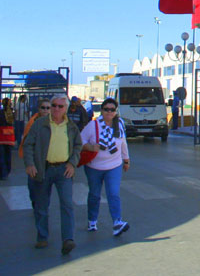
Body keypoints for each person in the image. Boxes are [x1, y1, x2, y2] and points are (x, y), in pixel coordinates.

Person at [23, 94, 82, 255]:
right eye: (53, 105)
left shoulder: (71, 126)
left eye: (60, 106)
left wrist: (72, 163)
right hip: (43, 169)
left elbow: (78, 145)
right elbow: (28, 145)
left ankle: (68, 239)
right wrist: (30, 164)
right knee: (41, 205)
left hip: (64, 169)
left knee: (67, 204)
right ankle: (42, 236)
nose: (56, 109)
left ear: (66, 109)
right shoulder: (40, 124)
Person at [79, 97, 130, 236]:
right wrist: (90, 146)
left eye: (112, 110)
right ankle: (92, 221)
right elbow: (80, 139)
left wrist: (126, 159)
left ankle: (117, 222)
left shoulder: (119, 124)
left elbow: (123, 142)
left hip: (114, 165)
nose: (109, 112)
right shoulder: (93, 125)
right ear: (101, 110)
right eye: (106, 109)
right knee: (95, 195)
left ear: (115, 111)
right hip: (94, 167)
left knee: (113, 194)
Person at [19, 99, 51, 207]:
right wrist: (29, 163)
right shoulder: (32, 123)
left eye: (48, 108)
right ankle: (35, 202)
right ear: (39, 109)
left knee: (45, 188)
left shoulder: (54, 123)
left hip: (48, 161)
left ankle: (42, 207)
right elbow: (27, 143)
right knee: (32, 186)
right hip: (34, 160)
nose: (46, 110)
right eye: (43, 107)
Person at [0, 98, 15, 180]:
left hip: (0, 135)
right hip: (9, 135)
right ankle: (7, 170)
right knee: (8, 154)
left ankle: (2, 173)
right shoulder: (11, 113)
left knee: (1, 156)